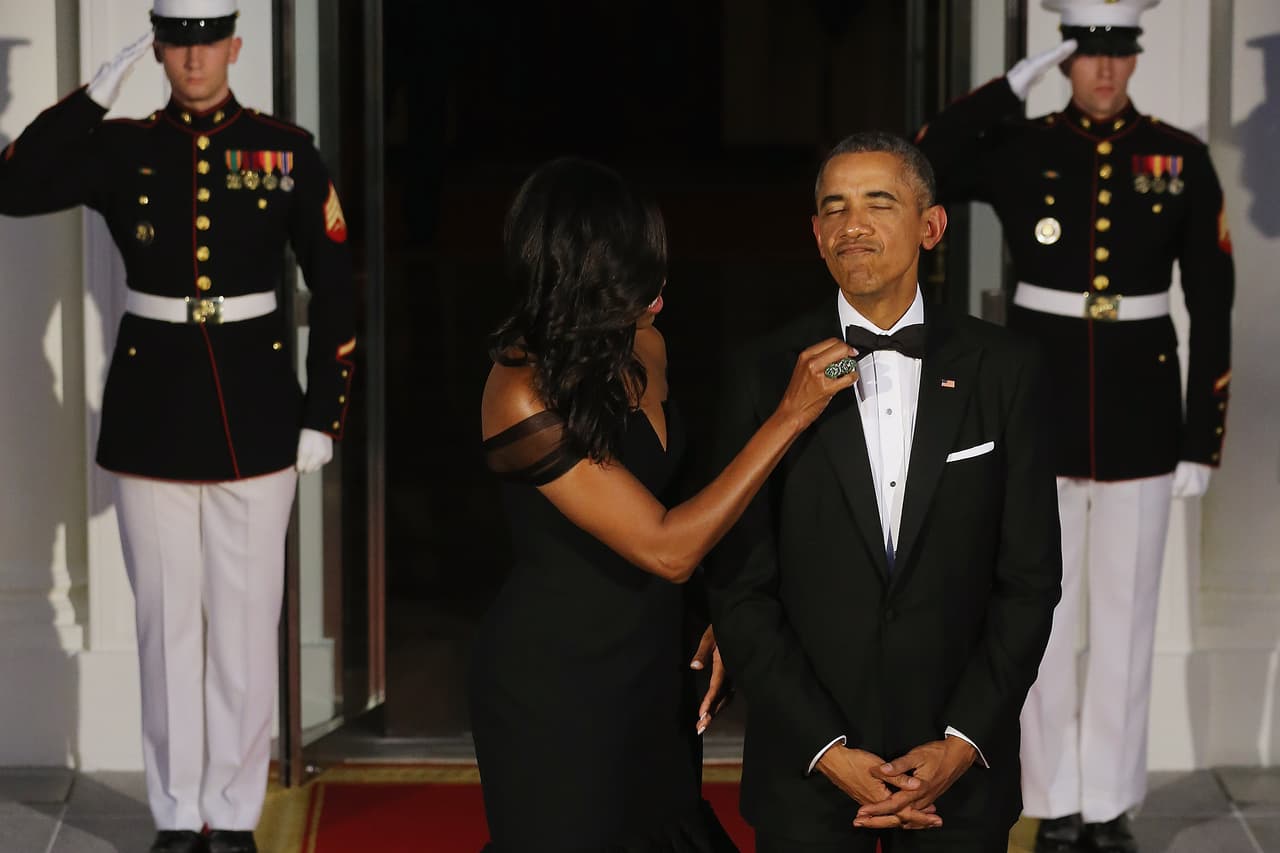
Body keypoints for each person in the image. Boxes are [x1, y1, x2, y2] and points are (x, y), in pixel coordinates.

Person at [0, 2, 356, 851]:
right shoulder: (121, 145)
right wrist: (89, 99)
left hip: (260, 411)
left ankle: (232, 816)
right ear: (158, 49)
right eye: (176, 44)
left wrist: (324, 412)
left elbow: (337, 282)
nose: (194, 60)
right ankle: (173, 814)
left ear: (236, 45)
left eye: (208, 43)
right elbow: (12, 186)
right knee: (166, 628)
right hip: (152, 411)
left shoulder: (285, 149)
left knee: (241, 624)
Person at [913, 1, 1234, 849]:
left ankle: (1109, 804)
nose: (1102, 70)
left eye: (1117, 53)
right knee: (1039, 616)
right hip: (1037, 405)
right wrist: (1005, 89)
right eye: (1085, 54)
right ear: (1063, 62)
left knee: (1128, 617)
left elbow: (1214, 301)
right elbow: (922, 163)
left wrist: (1203, 432)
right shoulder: (1020, 145)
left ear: (1134, 58)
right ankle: (1052, 798)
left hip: (1141, 413)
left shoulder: (1180, 158)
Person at [472, 156, 858, 852]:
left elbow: (684, 498)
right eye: (637, 263)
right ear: (584, 268)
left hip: (651, 670)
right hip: (555, 689)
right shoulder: (517, 392)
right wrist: (789, 416)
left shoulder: (643, 342)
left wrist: (712, 615)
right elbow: (667, 544)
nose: (660, 280)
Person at [705, 132, 1063, 853]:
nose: (852, 224)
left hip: (958, 771)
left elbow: (1029, 578)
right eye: (833, 208)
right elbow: (740, 585)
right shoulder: (760, 372)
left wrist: (962, 740)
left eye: (878, 202)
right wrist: (825, 748)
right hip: (807, 771)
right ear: (815, 234)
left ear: (931, 226)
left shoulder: (1006, 368)